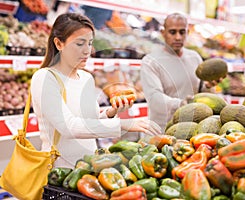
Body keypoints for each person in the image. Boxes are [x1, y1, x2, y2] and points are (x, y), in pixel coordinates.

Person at [30, 12, 161, 168]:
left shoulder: (86, 78)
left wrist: (111, 113)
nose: (87, 51)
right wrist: (122, 125)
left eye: (90, 43)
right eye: (79, 44)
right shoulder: (45, 78)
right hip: (59, 170)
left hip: (89, 166)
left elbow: (89, 120)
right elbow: (68, 127)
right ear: (59, 44)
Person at [140, 12, 221, 131]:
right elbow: (154, 98)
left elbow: (200, 90)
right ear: (163, 33)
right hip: (161, 131)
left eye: (182, 32)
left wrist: (208, 86)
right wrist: (180, 104)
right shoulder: (150, 61)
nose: (178, 37)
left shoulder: (195, 57)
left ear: (187, 33)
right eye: (172, 32)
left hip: (192, 128)